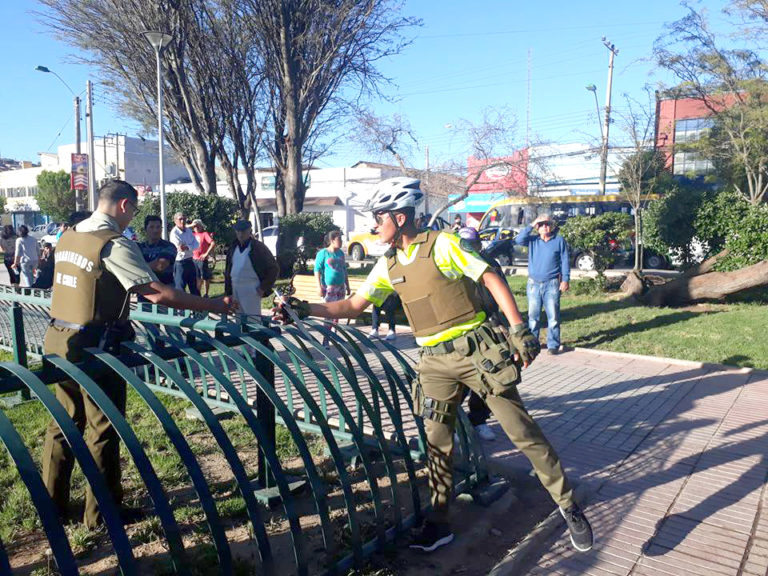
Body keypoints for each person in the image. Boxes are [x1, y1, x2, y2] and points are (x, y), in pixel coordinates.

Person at [273, 177, 593, 554]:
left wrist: (520, 328)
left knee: (521, 432)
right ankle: (440, 522)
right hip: (433, 362)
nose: (375, 225)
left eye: (380, 217)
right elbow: (352, 306)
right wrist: (302, 310)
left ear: (400, 217)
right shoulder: (388, 265)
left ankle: (567, 505)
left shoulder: (443, 245)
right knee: (437, 446)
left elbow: (489, 276)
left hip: (477, 353)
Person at [41, 180, 239, 529]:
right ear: (123, 206)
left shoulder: (69, 235)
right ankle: (101, 515)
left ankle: (51, 507)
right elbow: (158, 294)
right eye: (133, 210)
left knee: (62, 424)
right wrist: (215, 305)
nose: (132, 218)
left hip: (59, 338)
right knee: (102, 429)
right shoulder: (113, 244)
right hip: (96, 346)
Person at [514, 214, 570, 355]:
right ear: (537, 228)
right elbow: (519, 239)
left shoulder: (559, 241)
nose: (545, 227)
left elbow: (565, 261)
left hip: (551, 284)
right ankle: (533, 343)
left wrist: (565, 280)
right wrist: (532, 223)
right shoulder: (533, 240)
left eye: (547, 224)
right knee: (533, 317)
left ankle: (553, 345)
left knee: (553, 317)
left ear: (551, 226)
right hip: (533, 284)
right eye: (541, 224)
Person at [224, 220, 279, 316]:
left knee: (253, 319)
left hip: (252, 288)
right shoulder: (233, 248)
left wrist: (263, 287)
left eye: (243, 232)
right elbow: (228, 270)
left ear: (250, 231)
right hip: (235, 287)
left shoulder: (258, 247)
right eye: (238, 232)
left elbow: (274, 268)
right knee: (239, 318)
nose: (241, 234)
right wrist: (228, 292)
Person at [314, 230, 350, 346]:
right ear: (332, 240)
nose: (341, 242)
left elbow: (344, 270)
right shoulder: (323, 253)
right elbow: (317, 271)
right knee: (329, 313)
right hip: (329, 288)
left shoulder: (340, 253)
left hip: (340, 287)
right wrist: (319, 287)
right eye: (339, 239)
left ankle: (334, 335)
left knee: (338, 311)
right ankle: (326, 339)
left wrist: (347, 285)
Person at [138, 215, 177, 286]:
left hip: (166, 290)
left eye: (158, 227)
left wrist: (138, 268)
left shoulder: (169, 246)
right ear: (145, 229)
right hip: (144, 291)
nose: (155, 230)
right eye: (152, 227)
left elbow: (160, 265)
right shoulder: (139, 247)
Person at [169, 211, 200, 295]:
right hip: (180, 263)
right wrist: (190, 246)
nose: (183, 221)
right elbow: (180, 248)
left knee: (195, 288)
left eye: (184, 219)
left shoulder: (189, 231)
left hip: (190, 261)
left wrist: (187, 247)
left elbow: (197, 244)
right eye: (180, 219)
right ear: (175, 221)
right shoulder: (174, 233)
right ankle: (181, 307)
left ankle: (197, 307)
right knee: (180, 288)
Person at [191, 219, 215, 297]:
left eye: (198, 226)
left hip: (202, 259)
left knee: (205, 277)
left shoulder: (204, 234)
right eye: (195, 226)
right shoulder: (192, 234)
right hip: (194, 259)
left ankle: (206, 293)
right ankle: (198, 294)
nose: (196, 228)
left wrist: (206, 254)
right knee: (197, 278)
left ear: (201, 226)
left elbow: (212, 243)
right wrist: (191, 225)